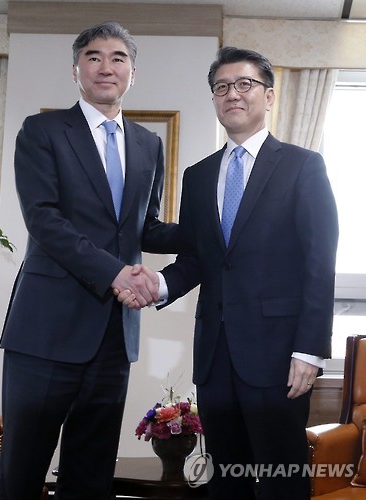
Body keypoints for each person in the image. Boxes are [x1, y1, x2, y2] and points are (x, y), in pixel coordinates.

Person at [118, 47, 339, 499]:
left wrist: (310, 351)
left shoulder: (303, 166)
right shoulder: (200, 176)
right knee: (227, 478)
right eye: (221, 87)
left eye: (244, 84)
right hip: (216, 355)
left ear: (269, 95)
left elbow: (320, 263)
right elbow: (201, 259)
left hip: (280, 356)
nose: (232, 94)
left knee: (281, 477)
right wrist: (157, 285)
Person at [0, 21, 181, 500]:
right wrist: (117, 272)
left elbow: (145, 227)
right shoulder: (42, 131)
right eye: (94, 56)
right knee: (23, 468)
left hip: (113, 337)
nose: (106, 66)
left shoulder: (147, 144)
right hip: (45, 331)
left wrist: (216, 232)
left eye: (118, 58)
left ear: (132, 73)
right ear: (76, 69)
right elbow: (45, 220)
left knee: (92, 472)